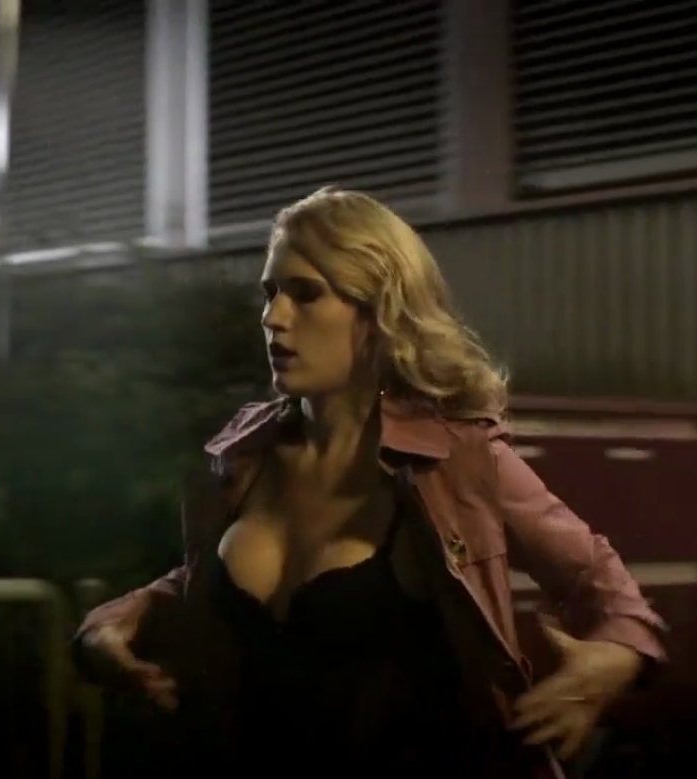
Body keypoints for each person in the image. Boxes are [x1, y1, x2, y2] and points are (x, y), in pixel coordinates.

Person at [72, 186, 666, 778]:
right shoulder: (244, 455)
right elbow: (201, 578)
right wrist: (116, 624)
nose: (273, 317)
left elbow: (601, 583)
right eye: (270, 293)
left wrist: (612, 660)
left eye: (306, 293)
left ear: (379, 312)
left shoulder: (456, 458)